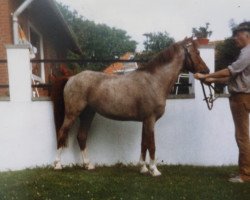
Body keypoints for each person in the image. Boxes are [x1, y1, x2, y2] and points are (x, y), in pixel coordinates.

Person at [194, 21, 250, 183]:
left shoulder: (247, 52)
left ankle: (245, 175)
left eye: (237, 35)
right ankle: (244, 171)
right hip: (242, 95)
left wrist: (206, 76)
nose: (234, 39)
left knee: (242, 136)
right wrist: (211, 80)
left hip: (241, 97)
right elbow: (234, 77)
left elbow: (230, 70)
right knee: (242, 136)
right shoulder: (245, 53)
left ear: (247, 35)